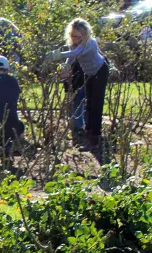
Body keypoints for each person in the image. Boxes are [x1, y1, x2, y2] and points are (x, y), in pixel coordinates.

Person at [48, 18, 109, 153]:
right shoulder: (73, 44)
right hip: (89, 73)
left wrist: (56, 55)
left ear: (85, 35)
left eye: (78, 37)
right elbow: (71, 58)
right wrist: (65, 66)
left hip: (100, 71)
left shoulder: (91, 43)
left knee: (96, 105)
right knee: (88, 105)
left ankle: (95, 140)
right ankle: (89, 139)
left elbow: (76, 53)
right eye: (72, 36)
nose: (75, 39)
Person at [62, 60, 87, 146]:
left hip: (77, 88)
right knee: (75, 109)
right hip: (75, 88)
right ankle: (77, 130)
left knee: (77, 109)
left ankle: (78, 131)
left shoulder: (75, 62)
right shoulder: (71, 61)